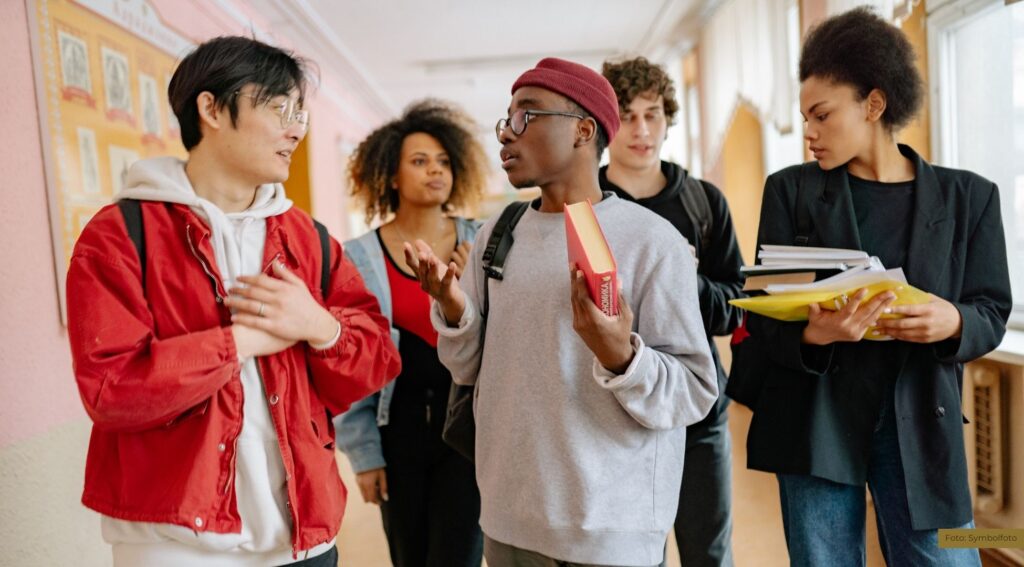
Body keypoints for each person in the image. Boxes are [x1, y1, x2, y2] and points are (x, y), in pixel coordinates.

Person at [66, 36, 401, 567]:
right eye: (279, 108)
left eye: (301, 114)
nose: (295, 128)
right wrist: (242, 340)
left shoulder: (308, 239)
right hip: (173, 540)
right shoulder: (121, 235)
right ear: (212, 108)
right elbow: (111, 391)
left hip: (304, 534)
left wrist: (319, 326)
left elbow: (375, 359)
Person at [406, 57, 718, 567]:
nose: (507, 134)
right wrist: (454, 307)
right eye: (506, 120)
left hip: (611, 530)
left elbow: (693, 391)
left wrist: (621, 356)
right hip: (509, 520)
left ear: (583, 130)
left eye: (526, 115)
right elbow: (466, 370)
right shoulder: (497, 234)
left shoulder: (651, 241)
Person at [736, 8, 1011, 566]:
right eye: (803, 117)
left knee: (949, 555)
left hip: (922, 421)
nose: (808, 132)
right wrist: (816, 333)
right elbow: (762, 318)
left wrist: (953, 320)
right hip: (816, 422)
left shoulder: (969, 198)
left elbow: (992, 309)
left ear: (874, 104)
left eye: (821, 115)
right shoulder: (789, 192)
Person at [599, 56, 744, 567]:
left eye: (653, 114)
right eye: (627, 115)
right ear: (605, 123)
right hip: (613, 416)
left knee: (709, 552)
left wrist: (687, 282)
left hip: (697, 411)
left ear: (668, 118)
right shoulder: (581, 205)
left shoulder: (705, 203)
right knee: (632, 556)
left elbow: (735, 310)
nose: (642, 129)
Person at [336, 100, 488, 566]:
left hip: (468, 429)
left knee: (459, 556)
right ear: (392, 176)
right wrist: (364, 455)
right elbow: (349, 360)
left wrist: (467, 292)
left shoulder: (483, 240)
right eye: (419, 162)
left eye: (443, 162)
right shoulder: (357, 256)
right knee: (409, 557)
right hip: (396, 431)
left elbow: (504, 341)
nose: (435, 172)